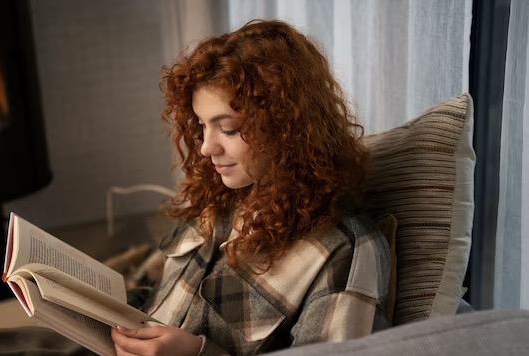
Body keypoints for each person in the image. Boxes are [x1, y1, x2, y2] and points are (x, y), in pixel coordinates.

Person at [110, 19, 390, 356]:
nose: (205, 148)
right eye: (202, 126)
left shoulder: (343, 250)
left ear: (287, 127)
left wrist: (198, 354)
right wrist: (95, 304)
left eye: (227, 129)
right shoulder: (219, 199)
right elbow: (162, 302)